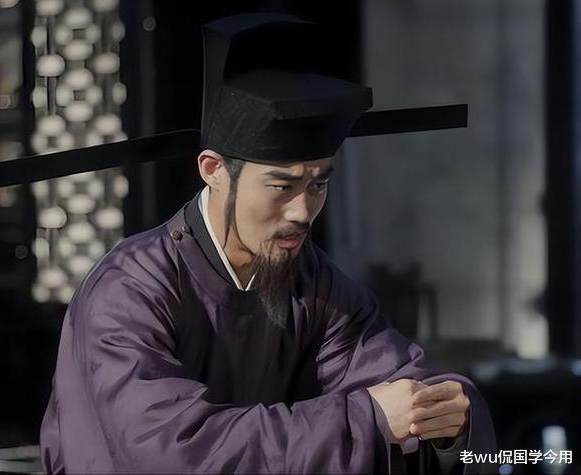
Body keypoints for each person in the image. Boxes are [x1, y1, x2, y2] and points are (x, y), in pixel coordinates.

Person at [39, 13, 496, 474]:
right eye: (282, 186)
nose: (302, 210)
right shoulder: (129, 290)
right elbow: (170, 451)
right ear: (214, 170)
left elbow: (396, 378)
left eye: (317, 185)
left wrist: (445, 417)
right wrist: (366, 419)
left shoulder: (313, 282)